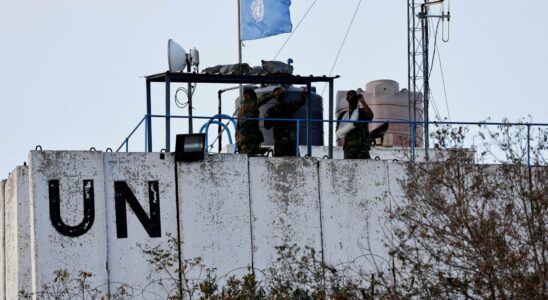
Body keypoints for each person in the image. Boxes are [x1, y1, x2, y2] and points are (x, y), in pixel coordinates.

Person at [264, 87, 307, 157]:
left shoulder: (272, 110)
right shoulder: (288, 107)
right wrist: (303, 95)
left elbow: (267, 126)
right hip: (288, 140)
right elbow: (300, 102)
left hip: (282, 140)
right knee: (294, 161)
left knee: (280, 161)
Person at [336, 90, 374, 159]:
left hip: (363, 147)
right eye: (350, 96)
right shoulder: (343, 115)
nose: (352, 98)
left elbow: (370, 116)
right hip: (349, 148)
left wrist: (363, 101)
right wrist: (351, 126)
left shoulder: (362, 111)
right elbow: (339, 132)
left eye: (354, 96)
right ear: (347, 99)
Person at [235, 88, 266, 155]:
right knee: (248, 158)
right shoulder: (249, 105)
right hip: (248, 139)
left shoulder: (242, 107)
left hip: (241, 139)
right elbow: (261, 101)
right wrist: (272, 94)